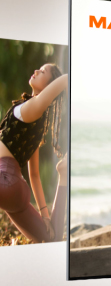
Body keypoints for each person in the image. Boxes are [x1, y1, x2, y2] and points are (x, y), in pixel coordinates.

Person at [0, 64, 68, 243]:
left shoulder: (34, 106)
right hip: (13, 191)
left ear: (50, 86)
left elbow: (66, 79)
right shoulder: (37, 124)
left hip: (4, 179)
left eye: (43, 72)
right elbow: (34, 175)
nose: (37, 71)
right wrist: (44, 214)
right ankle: (64, 176)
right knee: (49, 238)